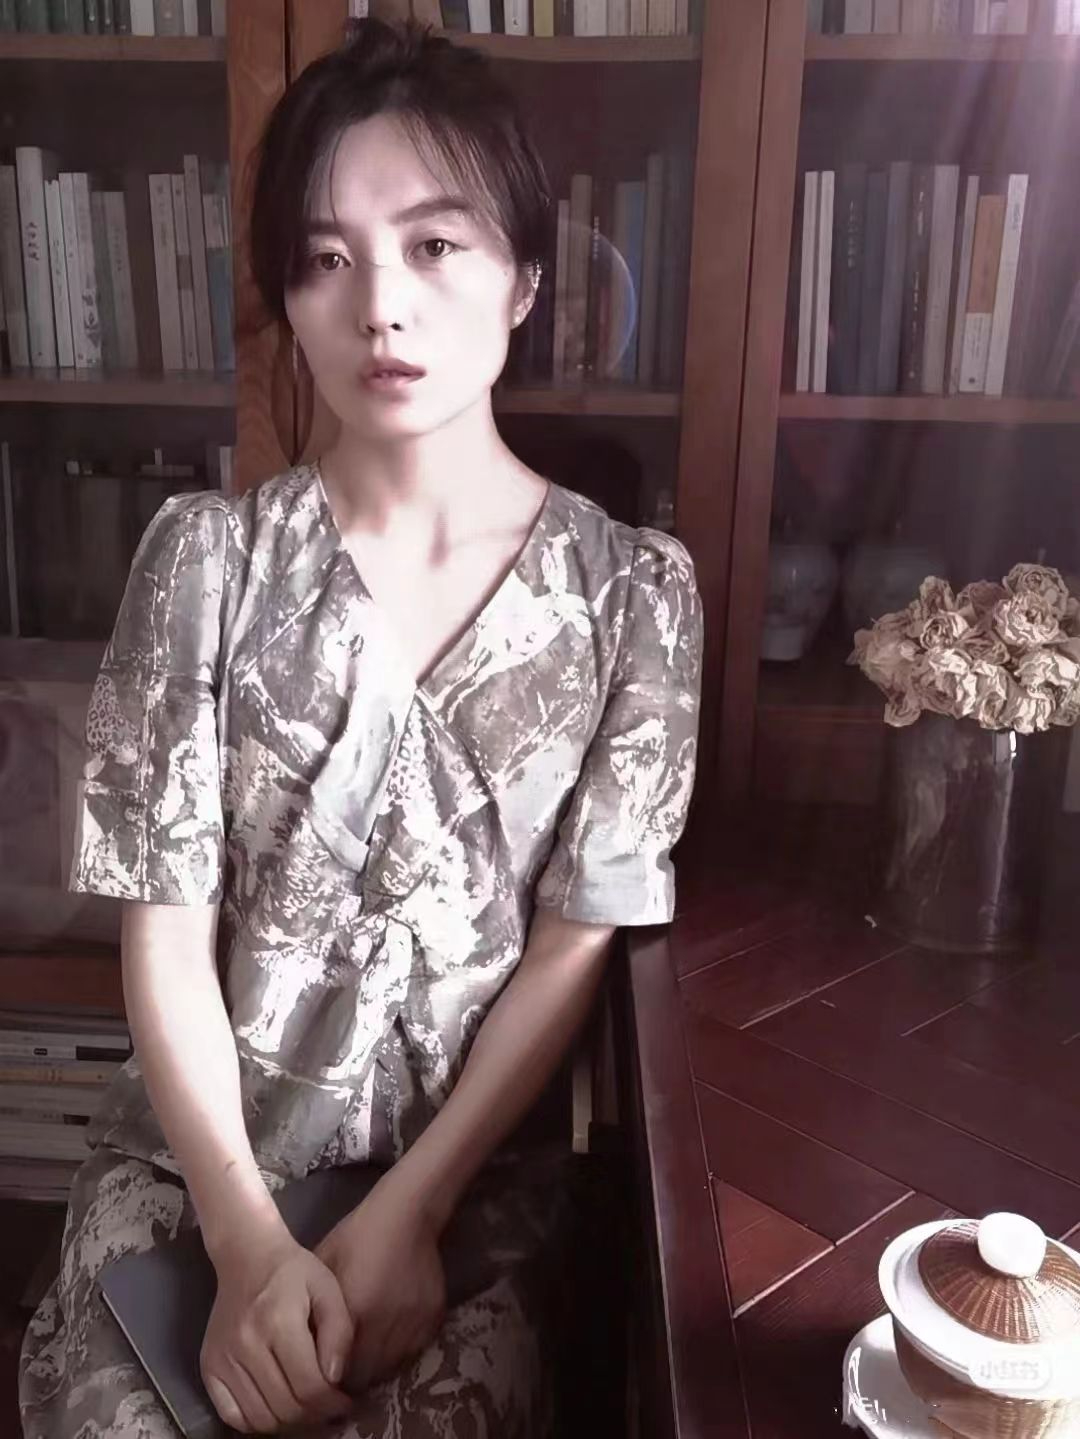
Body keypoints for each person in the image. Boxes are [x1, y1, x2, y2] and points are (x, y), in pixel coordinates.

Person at [19, 16, 703, 1438]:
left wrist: (416, 1211)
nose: (381, 306)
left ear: (523, 278)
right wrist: (243, 1242)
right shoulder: (204, 564)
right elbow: (164, 935)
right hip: (200, 1172)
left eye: (435, 245)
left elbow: (576, 942)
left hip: (467, 1188)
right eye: (327, 259)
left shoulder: (634, 599)